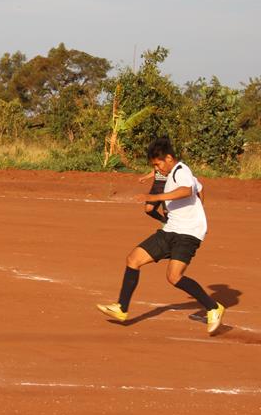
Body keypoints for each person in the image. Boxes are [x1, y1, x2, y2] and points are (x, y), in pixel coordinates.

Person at [96, 137, 225, 335]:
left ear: (169, 158)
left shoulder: (182, 170)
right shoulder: (172, 173)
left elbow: (187, 190)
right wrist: (200, 209)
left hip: (188, 233)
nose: (157, 169)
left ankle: (213, 307)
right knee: (133, 259)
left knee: (174, 277)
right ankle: (122, 308)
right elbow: (200, 188)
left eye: (158, 164)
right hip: (171, 228)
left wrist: (154, 197)